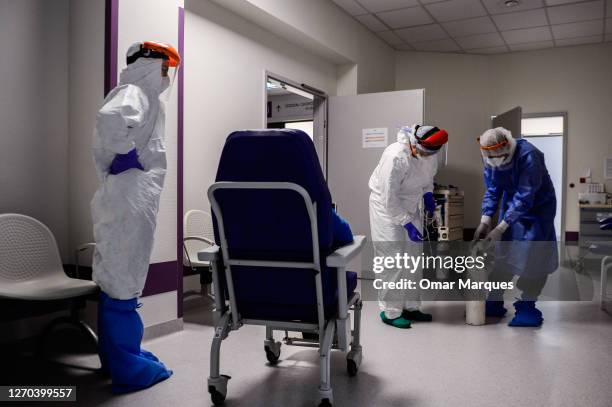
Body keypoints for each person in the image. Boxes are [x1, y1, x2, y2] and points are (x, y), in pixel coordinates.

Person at [91, 41, 180, 393]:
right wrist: (126, 154)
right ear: (148, 64)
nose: (167, 75)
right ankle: (128, 369)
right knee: (123, 279)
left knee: (121, 278)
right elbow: (110, 118)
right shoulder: (134, 91)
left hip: (133, 200)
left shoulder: (147, 98)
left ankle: (120, 358)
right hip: (128, 201)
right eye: (163, 67)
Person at [473, 127, 558, 327]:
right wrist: (485, 219)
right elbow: (493, 188)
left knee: (534, 256)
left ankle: (527, 305)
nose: (497, 163)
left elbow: (525, 195)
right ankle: (494, 298)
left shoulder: (529, 155)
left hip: (537, 209)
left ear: (508, 147)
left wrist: (500, 227)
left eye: (501, 159)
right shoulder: (489, 155)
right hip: (511, 207)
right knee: (504, 253)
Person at [369, 124, 448, 329]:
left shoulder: (430, 155)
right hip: (386, 208)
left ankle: (411, 306)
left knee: (413, 257)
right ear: (415, 142)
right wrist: (406, 223)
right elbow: (389, 197)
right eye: (422, 151)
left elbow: (427, 179)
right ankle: (391, 311)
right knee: (392, 258)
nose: (425, 155)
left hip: (412, 204)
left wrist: (428, 195)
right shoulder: (395, 156)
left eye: (430, 153)